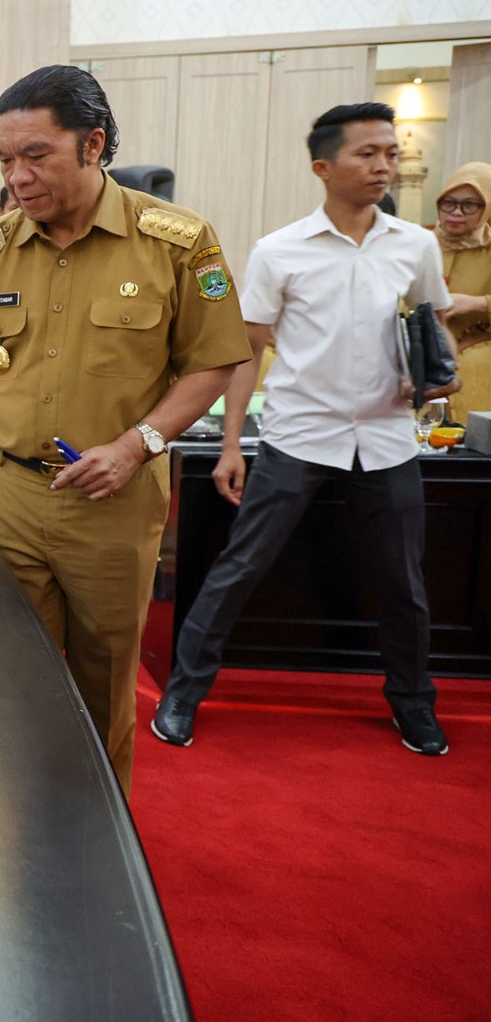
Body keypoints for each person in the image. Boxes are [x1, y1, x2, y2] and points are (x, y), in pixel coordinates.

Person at [0, 65, 249, 793]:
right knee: (6, 678)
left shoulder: (178, 243)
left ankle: (99, 840)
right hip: (4, 498)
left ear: (92, 145)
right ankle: (11, 823)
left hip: (112, 506)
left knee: (103, 679)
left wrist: (136, 445)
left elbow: (213, 364)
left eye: (36, 156)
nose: (16, 177)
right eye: (4, 160)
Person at [153, 104, 455, 756]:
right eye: (366, 154)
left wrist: (436, 375)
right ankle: (184, 692)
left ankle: (412, 703)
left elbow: (433, 325)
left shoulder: (416, 245)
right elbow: (248, 349)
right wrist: (232, 445)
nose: (383, 165)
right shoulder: (279, 250)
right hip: (297, 436)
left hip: (388, 439)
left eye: (389, 153)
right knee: (238, 569)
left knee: (405, 585)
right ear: (323, 166)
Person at [436, 162, 491, 418]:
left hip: (480, 373)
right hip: (424, 371)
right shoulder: (419, 246)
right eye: (448, 202)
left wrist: (479, 303)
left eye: (470, 205)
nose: (456, 212)